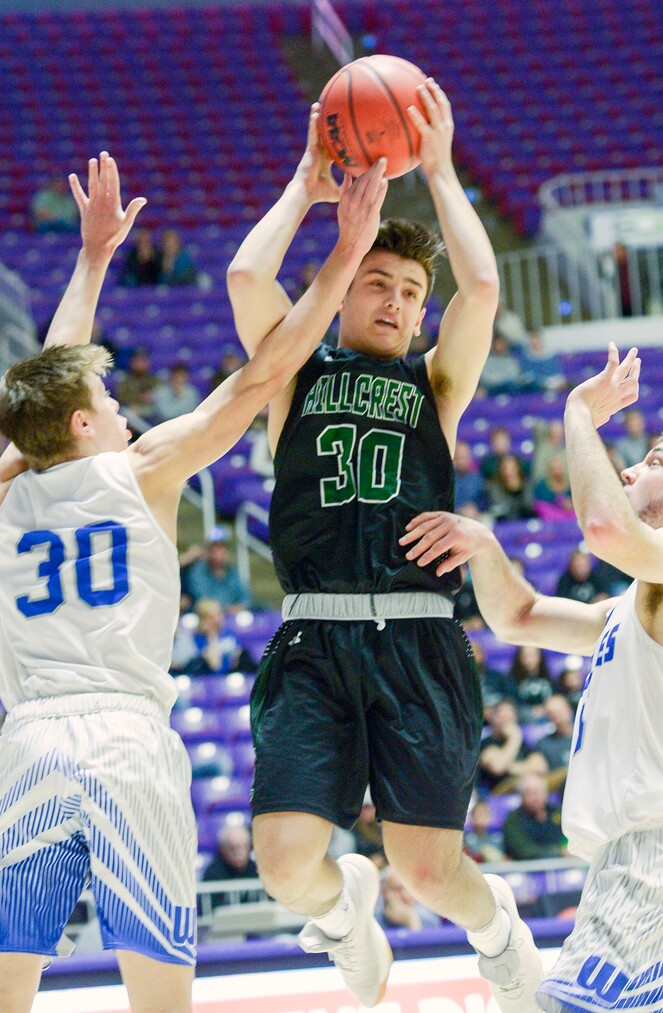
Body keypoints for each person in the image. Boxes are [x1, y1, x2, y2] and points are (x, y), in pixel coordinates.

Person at [0, 119, 367, 1012]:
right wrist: (346, 249)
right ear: (84, 424)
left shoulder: (9, 484)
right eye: (107, 398)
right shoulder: (147, 469)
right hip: (125, 734)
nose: (120, 405)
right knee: (159, 991)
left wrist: (91, 264)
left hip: (27, 738)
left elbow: (45, 383)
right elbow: (264, 370)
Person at [228, 79, 543, 1012]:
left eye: (413, 292)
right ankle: (342, 916)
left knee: (430, 866)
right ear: (346, 285)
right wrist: (306, 188)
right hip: (315, 639)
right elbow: (249, 280)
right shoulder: (295, 370)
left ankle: (500, 937)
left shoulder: (437, 387)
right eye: (380, 281)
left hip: (417, 638)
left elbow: (482, 288)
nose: (400, 301)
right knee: (287, 865)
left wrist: (441, 170)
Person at [401, 342, 663, 1010]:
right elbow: (522, 615)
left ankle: (503, 935)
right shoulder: (638, 605)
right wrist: (484, 545)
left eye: (654, 463)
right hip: (641, 855)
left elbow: (601, 527)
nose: (629, 471)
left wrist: (577, 414)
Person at [502, 773, 567, 861]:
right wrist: (559, 852)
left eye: (538, 791)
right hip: (525, 870)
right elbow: (523, 851)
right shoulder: (513, 820)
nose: (535, 797)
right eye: (530, 793)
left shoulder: (557, 813)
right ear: (521, 796)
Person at [181, 537, 251, 614]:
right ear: (208, 552)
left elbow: (245, 598)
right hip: (205, 617)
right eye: (215, 548)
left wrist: (240, 607)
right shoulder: (198, 572)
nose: (219, 552)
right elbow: (202, 598)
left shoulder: (233, 573)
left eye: (222, 548)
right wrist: (225, 609)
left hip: (231, 618)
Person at [201, 824, 263, 909]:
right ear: (223, 848)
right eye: (233, 847)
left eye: (243, 846)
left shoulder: (257, 871)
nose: (238, 852)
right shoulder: (213, 873)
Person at [376, 865, 441, 931]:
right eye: (397, 889)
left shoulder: (428, 918)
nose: (405, 895)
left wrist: (410, 920)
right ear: (384, 891)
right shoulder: (374, 919)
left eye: (409, 889)